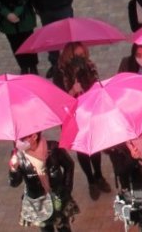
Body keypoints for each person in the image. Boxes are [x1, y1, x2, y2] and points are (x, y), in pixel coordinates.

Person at [52, 43, 112, 200]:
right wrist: (72, 91)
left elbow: (96, 83)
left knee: (95, 146)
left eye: (82, 55)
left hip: (89, 111)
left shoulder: (89, 66)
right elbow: (58, 99)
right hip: (72, 116)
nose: (80, 59)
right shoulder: (60, 72)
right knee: (82, 149)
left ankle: (99, 176)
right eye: (76, 56)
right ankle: (91, 180)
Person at [9, 131, 78, 232]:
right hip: (38, 202)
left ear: (34, 136)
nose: (18, 143)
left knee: (63, 227)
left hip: (58, 197)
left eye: (21, 140)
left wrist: (67, 189)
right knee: (46, 228)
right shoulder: (18, 155)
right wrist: (13, 170)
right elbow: (14, 183)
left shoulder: (53, 148)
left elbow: (69, 165)